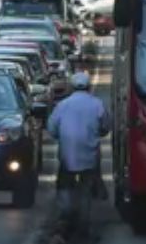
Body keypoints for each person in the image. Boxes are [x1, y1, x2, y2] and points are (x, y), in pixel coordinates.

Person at [47, 71, 110, 226]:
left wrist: (62, 135)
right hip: (89, 156)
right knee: (87, 184)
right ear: (88, 87)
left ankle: (66, 214)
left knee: (64, 182)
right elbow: (105, 126)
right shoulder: (97, 104)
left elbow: (52, 128)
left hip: (67, 155)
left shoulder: (63, 105)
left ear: (71, 87)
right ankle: (85, 216)